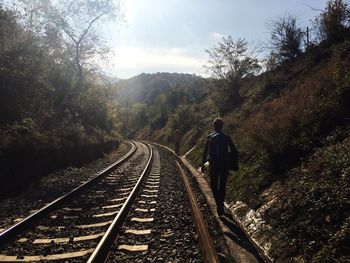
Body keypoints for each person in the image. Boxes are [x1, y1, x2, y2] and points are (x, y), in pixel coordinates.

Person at [201, 118, 238, 216]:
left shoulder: (210, 137)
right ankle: (221, 203)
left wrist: (202, 164)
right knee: (222, 184)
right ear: (222, 126)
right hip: (224, 164)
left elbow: (205, 152)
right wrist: (231, 161)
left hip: (213, 164)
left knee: (213, 185)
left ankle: (218, 203)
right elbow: (234, 151)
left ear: (214, 126)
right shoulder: (227, 138)